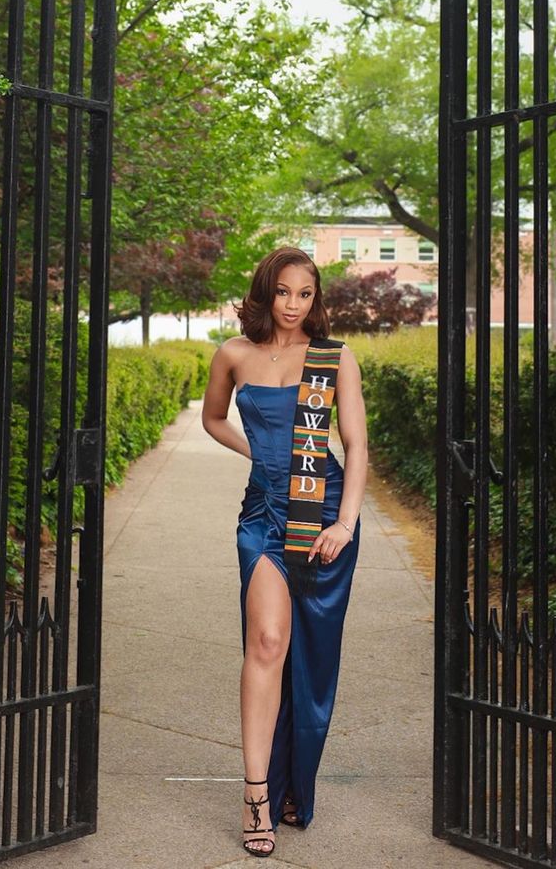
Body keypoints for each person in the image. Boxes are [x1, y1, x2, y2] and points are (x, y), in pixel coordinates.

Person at [201, 245, 368, 857]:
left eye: (306, 293)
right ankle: (256, 796)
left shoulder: (333, 357)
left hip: (322, 517)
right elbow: (213, 419)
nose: (294, 305)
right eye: (284, 292)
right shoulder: (234, 354)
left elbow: (355, 445)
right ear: (264, 292)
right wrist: (257, 454)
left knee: (313, 661)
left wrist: (345, 523)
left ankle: (298, 779)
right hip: (262, 518)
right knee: (268, 643)